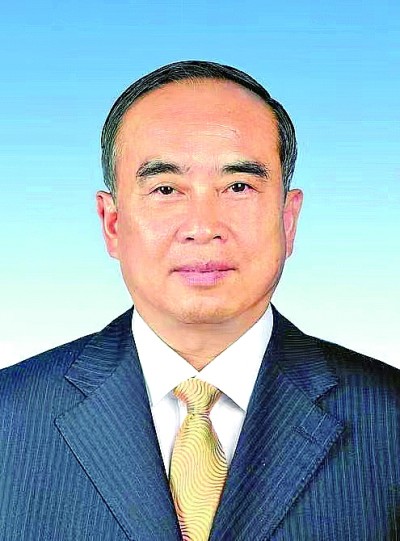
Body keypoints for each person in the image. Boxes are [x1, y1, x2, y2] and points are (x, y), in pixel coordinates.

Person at [0, 61, 398, 541]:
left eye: (238, 187)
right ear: (112, 223)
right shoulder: (9, 417)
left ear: (288, 219)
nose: (203, 227)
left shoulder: (389, 418)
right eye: (166, 189)